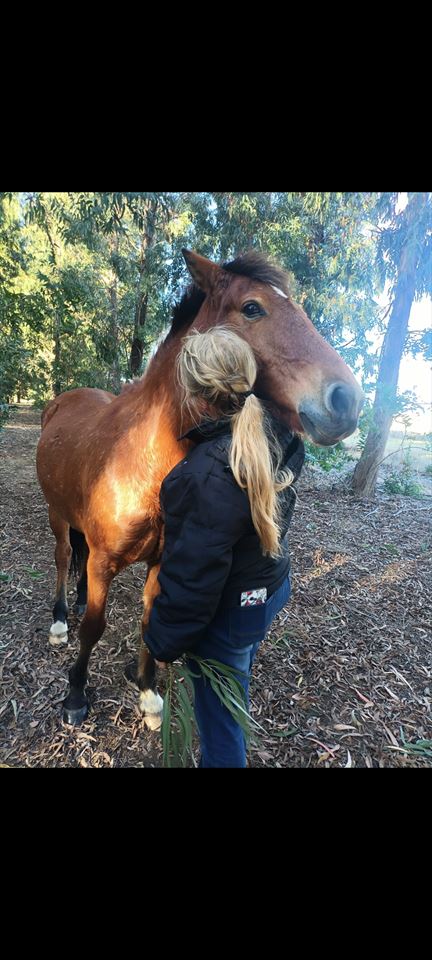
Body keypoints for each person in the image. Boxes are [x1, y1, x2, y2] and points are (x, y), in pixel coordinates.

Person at [143, 327, 305, 767]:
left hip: (229, 614)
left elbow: (193, 578)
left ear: (196, 396)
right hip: (269, 589)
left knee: (221, 728)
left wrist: (161, 643)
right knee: (237, 670)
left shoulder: (202, 475)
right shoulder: (279, 434)